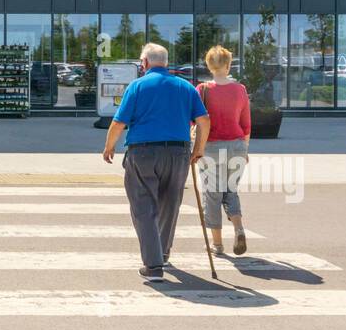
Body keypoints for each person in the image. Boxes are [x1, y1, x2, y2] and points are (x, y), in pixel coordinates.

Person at [103, 42, 210, 282]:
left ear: (144, 63)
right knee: (170, 204)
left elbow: (119, 122)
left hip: (143, 153)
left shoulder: (137, 86)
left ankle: (153, 266)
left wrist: (109, 146)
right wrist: (199, 149)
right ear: (166, 62)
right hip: (178, 153)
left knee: (144, 207)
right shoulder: (185, 87)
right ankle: (162, 252)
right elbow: (204, 120)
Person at [196, 45, 251, 257]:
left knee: (212, 194)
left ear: (209, 65)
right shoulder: (240, 90)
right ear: (228, 65)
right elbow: (246, 124)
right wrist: (244, 149)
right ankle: (238, 229)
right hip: (237, 145)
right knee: (230, 190)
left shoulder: (203, 90)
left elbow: (196, 121)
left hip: (211, 147)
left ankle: (217, 245)